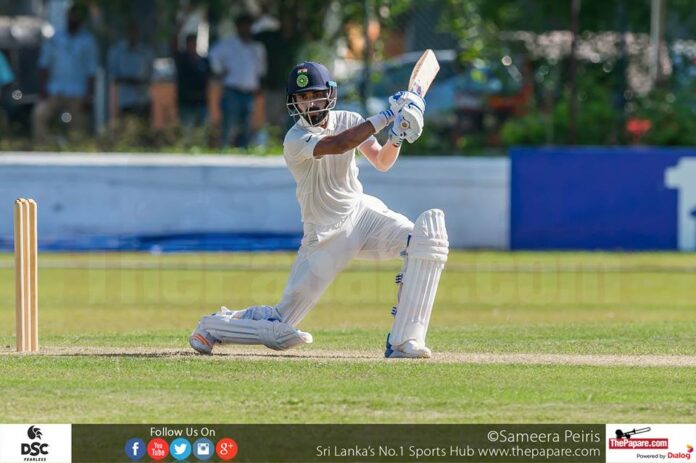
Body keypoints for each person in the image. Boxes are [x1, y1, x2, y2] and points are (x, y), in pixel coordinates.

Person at [189, 62, 449, 359]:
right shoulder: (295, 139)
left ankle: (405, 341)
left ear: (329, 94)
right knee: (280, 328)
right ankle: (214, 325)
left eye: (314, 94)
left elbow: (382, 162)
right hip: (326, 236)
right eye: (302, 97)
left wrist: (398, 135)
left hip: (363, 213)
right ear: (293, 102)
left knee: (427, 240)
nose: (309, 102)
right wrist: (389, 114)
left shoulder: (349, 118)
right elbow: (338, 144)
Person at [33, 4, 98, 143]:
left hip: (77, 92)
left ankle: (76, 150)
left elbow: (91, 71)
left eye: (77, 16)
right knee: (39, 115)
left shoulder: (88, 41)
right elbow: (43, 65)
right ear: (66, 16)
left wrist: (89, 95)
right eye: (71, 15)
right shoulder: (55, 38)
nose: (74, 18)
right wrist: (42, 89)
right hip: (54, 90)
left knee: (79, 129)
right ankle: (46, 145)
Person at [209, 14, 266, 149]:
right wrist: (219, 71)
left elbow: (261, 70)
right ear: (237, 27)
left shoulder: (257, 48)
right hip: (232, 91)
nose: (246, 29)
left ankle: (243, 151)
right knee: (229, 123)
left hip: (249, 92)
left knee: (246, 125)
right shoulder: (228, 44)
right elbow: (213, 56)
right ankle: (223, 149)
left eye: (248, 26)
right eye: (243, 26)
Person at [107, 24, 155, 120]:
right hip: (126, 101)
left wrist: (142, 82)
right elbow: (113, 76)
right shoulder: (117, 52)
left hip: (143, 100)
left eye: (135, 32)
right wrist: (129, 80)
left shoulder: (146, 52)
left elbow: (151, 75)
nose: (133, 35)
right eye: (130, 32)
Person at [175, 34, 210, 137]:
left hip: (201, 101)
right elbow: (174, 46)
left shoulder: (204, 61)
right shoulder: (181, 60)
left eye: (193, 43)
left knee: (201, 132)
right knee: (187, 132)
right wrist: (179, 30)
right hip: (186, 102)